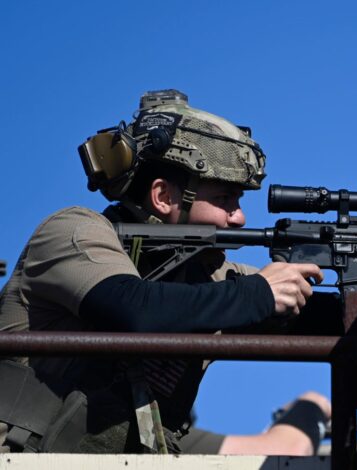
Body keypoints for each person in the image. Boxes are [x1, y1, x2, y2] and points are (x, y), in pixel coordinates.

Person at [0, 89, 331, 455]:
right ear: (163, 197)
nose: (239, 218)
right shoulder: (74, 231)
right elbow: (134, 309)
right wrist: (259, 293)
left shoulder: (205, 275)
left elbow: (322, 318)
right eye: (224, 199)